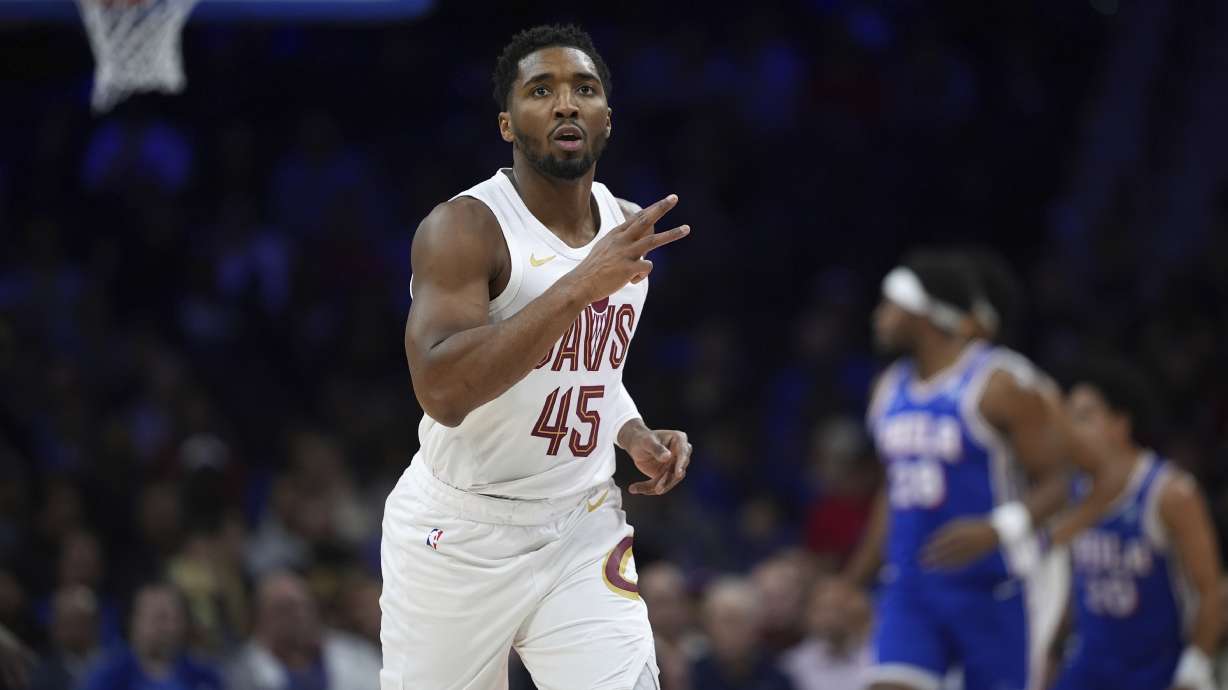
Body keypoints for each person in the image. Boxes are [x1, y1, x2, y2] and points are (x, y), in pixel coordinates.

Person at [381, 23, 693, 690]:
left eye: (584, 89)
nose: (565, 104)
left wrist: (629, 429)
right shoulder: (464, 228)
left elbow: (589, 369)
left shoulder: (626, 226)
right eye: (541, 90)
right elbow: (443, 390)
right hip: (459, 534)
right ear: (506, 122)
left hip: (580, 522)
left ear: (607, 118)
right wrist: (582, 282)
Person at [845, 251, 1126, 690]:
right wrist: (854, 579)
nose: (878, 315)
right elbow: (894, 490)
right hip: (912, 584)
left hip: (999, 578)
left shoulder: (1007, 382)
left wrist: (1016, 529)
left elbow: (1089, 473)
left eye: (890, 303)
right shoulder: (886, 389)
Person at [1051, 361, 1221, 690]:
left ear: (1119, 424)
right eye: (1068, 417)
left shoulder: (1170, 493)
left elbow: (1210, 591)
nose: (1071, 429)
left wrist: (1195, 668)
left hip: (1157, 670)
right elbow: (1072, 588)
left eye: (1084, 417)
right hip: (1089, 667)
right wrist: (1051, 652)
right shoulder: (1070, 492)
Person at [227, 571, 380, 690]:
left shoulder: (358, 656)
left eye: (304, 606)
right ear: (261, 617)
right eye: (285, 608)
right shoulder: (242, 673)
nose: (298, 616)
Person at [81, 582, 223, 690]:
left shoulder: (205, 676)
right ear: (133, 622)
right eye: (156, 617)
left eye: (170, 617)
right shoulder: (107, 676)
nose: (163, 627)